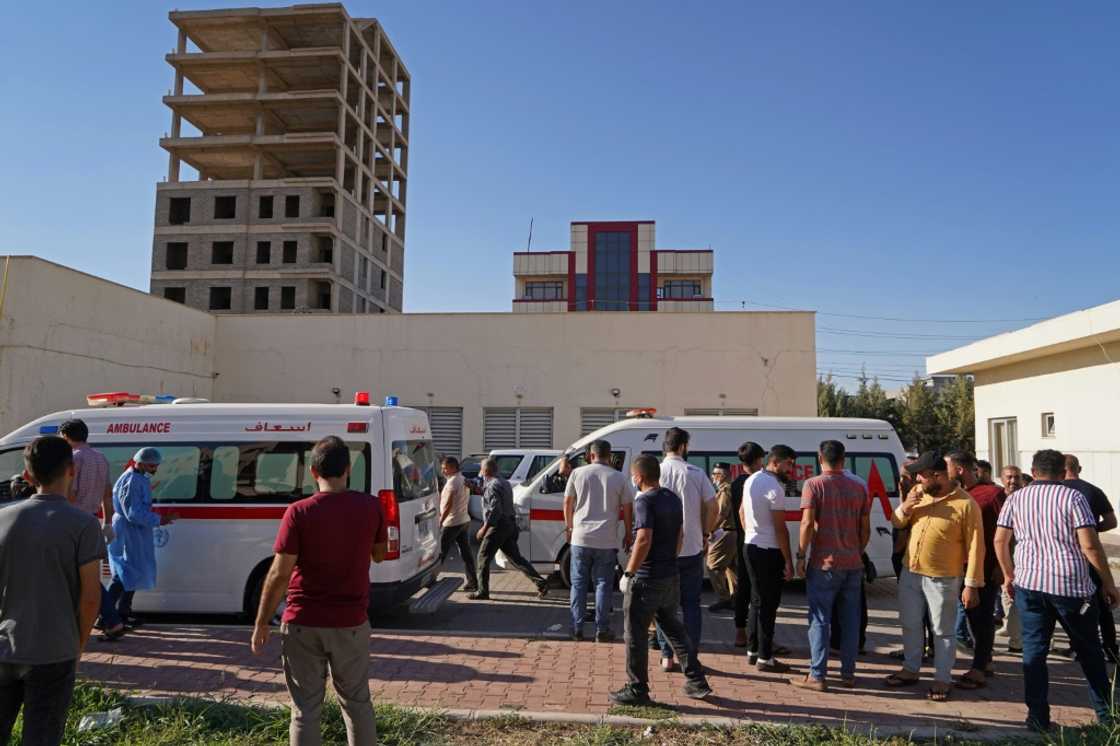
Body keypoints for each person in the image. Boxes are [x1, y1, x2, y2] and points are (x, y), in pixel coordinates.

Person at [251, 436, 388, 746]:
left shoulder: (298, 512)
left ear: (313, 472)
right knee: (357, 703)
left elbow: (279, 573)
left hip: (303, 622)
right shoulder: (371, 507)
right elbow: (379, 554)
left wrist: (261, 622)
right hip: (351, 622)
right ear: (348, 469)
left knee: (305, 709)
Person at [994, 449, 1120, 733]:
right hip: (1071, 586)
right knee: (1089, 651)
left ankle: (1037, 717)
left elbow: (1000, 540)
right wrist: (1108, 583)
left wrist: (1008, 575)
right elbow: (1089, 544)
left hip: (1030, 585)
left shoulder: (1015, 498)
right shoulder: (1073, 497)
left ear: (1033, 471)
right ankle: (1106, 715)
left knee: (1034, 652)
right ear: (1063, 472)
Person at [0, 437, 104, 746]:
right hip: (54, 650)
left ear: (28, 476)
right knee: (42, 736)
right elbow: (90, 598)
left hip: (5, 647)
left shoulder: (3, 519)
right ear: (72, 470)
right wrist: (78, 644)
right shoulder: (84, 525)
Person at [610, 454, 712, 706]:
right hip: (670, 574)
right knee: (674, 628)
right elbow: (680, 534)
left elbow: (643, 538)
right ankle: (696, 679)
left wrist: (629, 572)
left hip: (646, 578)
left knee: (635, 633)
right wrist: (670, 559)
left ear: (639, 476)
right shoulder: (671, 498)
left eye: (633, 476)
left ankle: (637, 688)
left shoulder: (644, 501)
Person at [884, 450, 984, 702]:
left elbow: (976, 546)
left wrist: (971, 584)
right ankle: (910, 669)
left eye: (921, 475)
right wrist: (905, 507)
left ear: (937, 475)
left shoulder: (965, 504)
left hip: (943, 578)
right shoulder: (919, 494)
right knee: (910, 623)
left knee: (942, 630)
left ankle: (942, 678)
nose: (917, 479)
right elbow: (896, 523)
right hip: (911, 572)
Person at [791, 440, 870, 691]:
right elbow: (864, 528)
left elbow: (806, 524)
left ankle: (817, 675)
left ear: (819, 457)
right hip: (852, 564)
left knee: (820, 620)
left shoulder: (813, 484)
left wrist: (801, 556)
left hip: (824, 563)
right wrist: (856, 550)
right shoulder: (859, 487)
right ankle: (848, 674)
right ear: (843, 458)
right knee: (849, 621)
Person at [58, 419, 126, 643]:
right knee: (86, 574)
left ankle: (111, 619)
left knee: (76, 574)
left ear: (66, 436)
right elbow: (107, 493)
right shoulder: (100, 458)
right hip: (92, 521)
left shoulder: (73, 459)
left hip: (71, 521)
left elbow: (71, 493)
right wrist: (106, 522)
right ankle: (109, 619)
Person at [655, 427, 716, 672]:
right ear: (683, 447)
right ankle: (690, 656)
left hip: (662, 550)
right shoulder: (696, 472)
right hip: (691, 547)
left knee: (664, 605)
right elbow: (714, 507)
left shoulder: (654, 472)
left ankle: (667, 656)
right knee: (691, 604)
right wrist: (705, 533)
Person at [945, 451, 1005, 691]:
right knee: (971, 615)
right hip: (961, 568)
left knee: (982, 618)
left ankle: (979, 668)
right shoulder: (957, 494)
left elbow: (1007, 532)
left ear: (959, 469)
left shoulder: (992, 494)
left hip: (986, 568)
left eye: (946, 466)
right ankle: (985, 660)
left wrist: (1002, 566)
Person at [564, 439, 633, 642]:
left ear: (590, 455)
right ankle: (602, 629)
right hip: (607, 539)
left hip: (580, 537)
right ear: (609, 455)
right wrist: (628, 533)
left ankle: (577, 627)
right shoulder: (619, 477)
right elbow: (627, 507)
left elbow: (567, 502)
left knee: (578, 584)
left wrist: (569, 527)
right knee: (603, 584)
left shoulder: (578, 473)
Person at [106, 448, 177, 629]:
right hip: (129, 531)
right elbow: (133, 513)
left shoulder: (137, 479)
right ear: (141, 463)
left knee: (130, 573)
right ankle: (106, 614)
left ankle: (122, 613)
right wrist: (160, 519)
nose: (155, 469)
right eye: (152, 465)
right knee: (123, 574)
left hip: (133, 532)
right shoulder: (132, 480)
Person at [742, 444, 797, 672]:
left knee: (756, 601)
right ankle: (766, 657)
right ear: (775, 462)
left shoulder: (751, 479)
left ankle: (753, 650)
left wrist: (751, 533)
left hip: (751, 546)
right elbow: (780, 528)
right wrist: (788, 560)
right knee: (768, 605)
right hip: (768, 550)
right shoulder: (774, 487)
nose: (791, 470)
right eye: (789, 464)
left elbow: (741, 513)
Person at [1063, 454, 1119, 663]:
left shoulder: (1056, 490)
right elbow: (1112, 521)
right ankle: (1111, 648)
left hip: (1066, 554)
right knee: (1100, 603)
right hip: (1091, 554)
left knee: (1072, 604)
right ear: (1080, 468)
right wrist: (1092, 530)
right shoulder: (1093, 490)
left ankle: (1076, 647)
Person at [470, 458, 549, 600]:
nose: (480, 472)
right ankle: (541, 583)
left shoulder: (491, 486)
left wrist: (484, 528)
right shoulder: (503, 482)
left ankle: (482, 591)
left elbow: (495, 510)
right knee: (516, 558)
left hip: (498, 526)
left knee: (483, 557)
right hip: (510, 524)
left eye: (481, 469)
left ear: (486, 470)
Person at [730, 442, 765, 648]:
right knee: (759, 591)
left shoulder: (736, 484)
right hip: (759, 541)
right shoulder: (761, 482)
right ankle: (759, 634)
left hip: (741, 541)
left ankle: (740, 632)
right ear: (760, 460)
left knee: (742, 587)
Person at [995, 464, 1025, 654]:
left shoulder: (1026, 498)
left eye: (1016, 477)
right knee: (1006, 597)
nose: (1013, 481)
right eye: (1009, 477)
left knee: (1015, 598)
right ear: (1001, 478)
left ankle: (1017, 641)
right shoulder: (997, 498)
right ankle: (1011, 629)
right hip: (1002, 556)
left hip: (1022, 558)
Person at [438, 456, 478, 594]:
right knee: (466, 553)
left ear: (453, 467)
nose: (443, 471)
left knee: (440, 552)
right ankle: (473, 582)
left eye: (445, 468)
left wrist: (441, 521)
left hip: (452, 522)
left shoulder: (453, 483)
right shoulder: (463, 479)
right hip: (463, 520)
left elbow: (448, 505)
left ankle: (430, 580)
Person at [706, 463, 738, 613]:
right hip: (732, 532)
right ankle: (736, 599)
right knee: (731, 567)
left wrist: (710, 529)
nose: (712, 477)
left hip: (726, 532)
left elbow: (722, 513)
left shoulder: (725, 491)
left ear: (722, 475)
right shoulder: (729, 489)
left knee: (713, 566)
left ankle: (724, 599)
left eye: (715, 474)